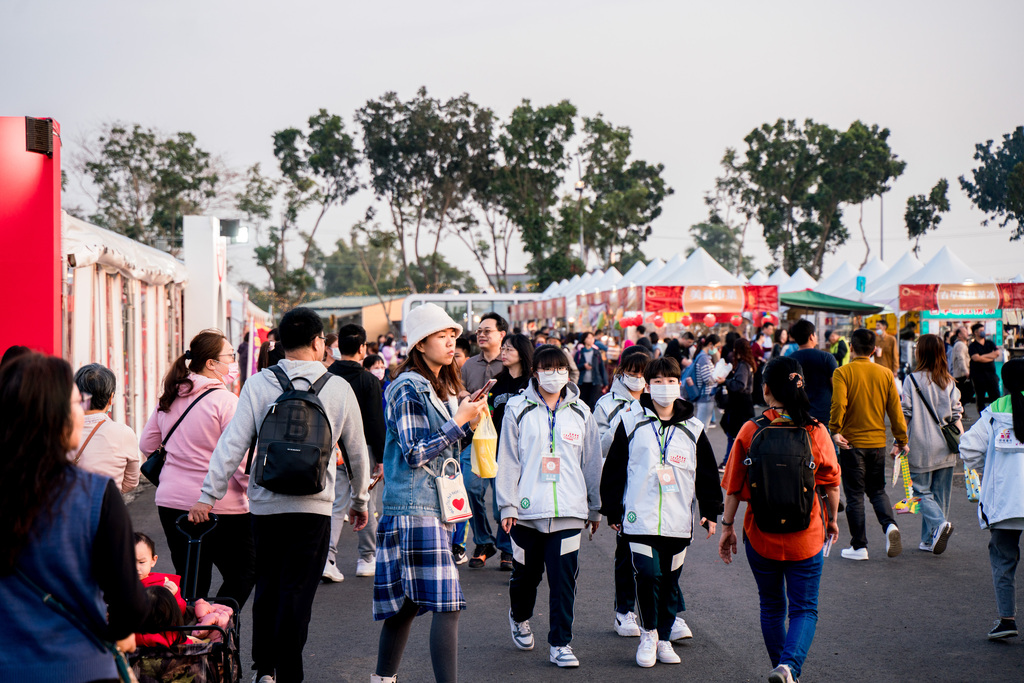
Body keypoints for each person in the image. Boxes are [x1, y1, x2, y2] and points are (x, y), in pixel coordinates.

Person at [189, 308, 371, 683]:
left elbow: (232, 444)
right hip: (315, 508)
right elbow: (356, 453)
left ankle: (265, 669)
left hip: (265, 506)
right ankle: (290, 672)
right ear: (319, 343)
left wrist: (209, 495)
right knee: (298, 592)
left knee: (269, 586)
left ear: (282, 343)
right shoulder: (338, 388)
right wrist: (359, 502)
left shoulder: (259, 384)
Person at [0, 353, 150, 681]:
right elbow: (130, 604)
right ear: (54, 416)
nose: (82, 411)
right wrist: (114, 633)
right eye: (75, 403)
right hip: (81, 666)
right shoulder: (94, 494)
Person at [372, 303, 488, 683]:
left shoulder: (436, 386)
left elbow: (442, 448)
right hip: (415, 507)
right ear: (420, 344)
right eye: (442, 335)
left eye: (453, 335)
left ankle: (383, 679)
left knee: (407, 605)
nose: (451, 342)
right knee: (446, 603)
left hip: (429, 505)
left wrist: (468, 421)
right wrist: (459, 421)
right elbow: (415, 451)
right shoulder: (408, 386)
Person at [719, 356, 841, 683]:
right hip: (807, 535)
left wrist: (727, 527)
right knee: (804, 609)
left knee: (772, 607)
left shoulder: (751, 430)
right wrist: (831, 520)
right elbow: (831, 483)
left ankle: (783, 669)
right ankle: (789, 668)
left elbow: (733, 487)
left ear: (766, 389)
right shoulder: (815, 431)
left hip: (761, 536)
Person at [602, 356, 723, 668]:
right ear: (648, 385)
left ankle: (665, 638)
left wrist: (711, 510)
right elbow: (615, 468)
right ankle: (649, 634)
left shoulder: (693, 427)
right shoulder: (631, 421)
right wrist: (612, 509)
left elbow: (707, 474)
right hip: (638, 517)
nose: (664, 386)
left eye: (670, 381)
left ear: (679, 385)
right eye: (657, 381)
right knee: (647, 574)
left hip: (678, 519)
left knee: (670, 581)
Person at [497, 345, 603, 668]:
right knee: (526, 577)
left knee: (563, 581)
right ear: (535, 372)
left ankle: (560, 643)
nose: (554, 375)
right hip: (526, 513)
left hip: (569, 511)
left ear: (568, 374)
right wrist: (508, 505)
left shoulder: (582, 411)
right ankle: (519, 616)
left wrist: (595, 506)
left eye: (561, 369)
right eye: (548, 368)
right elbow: (508, 459)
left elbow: (592, 461)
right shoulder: (517, 408)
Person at [139, 330, 256, 607]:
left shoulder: (170, 396)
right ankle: (217, 621)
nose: (233, 363)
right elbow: (240, 457)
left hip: (171, 501)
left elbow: (147, 444)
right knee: (244, 570)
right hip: (221, 505)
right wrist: (252, 492)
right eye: (230, 356)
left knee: (191, 580)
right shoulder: (226, 401)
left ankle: (192, 627)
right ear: (211, 363)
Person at [830, 328, 909, 561]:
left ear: (851, 347)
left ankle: (859, 547)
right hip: (877, 443)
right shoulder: (885, 374)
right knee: (877, 490)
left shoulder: (842, 372)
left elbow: (838, 404)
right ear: (874, 350)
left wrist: (835, 430)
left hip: (851, 443)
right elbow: (895, 410)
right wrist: (901, 440)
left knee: (854, 495)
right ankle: (890, 526)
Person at [593, 347, 655, 638]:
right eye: (632, 373)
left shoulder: (658, 400)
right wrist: (624, 419)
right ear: (621, 373)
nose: (637, 379)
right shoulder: (606, 404)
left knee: (663, 551)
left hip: (653, 485)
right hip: (624, 484)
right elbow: (598, 446)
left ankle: (669, 613)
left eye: (643, 374)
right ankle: (624, 611)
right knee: (627, 550)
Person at [960, 359, 1024, 640]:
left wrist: (986, 464)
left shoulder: (993, 413)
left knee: (1003, 558)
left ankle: (1007, 620)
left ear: (1004, 383)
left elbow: (968, 448)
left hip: (1005, 504)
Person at [324, 323, 387, 581]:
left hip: (332, 448)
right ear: (362, 348)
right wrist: (381, 458)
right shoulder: (369, 381)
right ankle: (367, 558)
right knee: (366, 500)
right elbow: (375, 422)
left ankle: (328, 558)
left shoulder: (326, 376)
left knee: (335, 502)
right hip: (363, 449)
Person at [901, 334, 963, 554]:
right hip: (946, 446)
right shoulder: (949, 381)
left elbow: (905, 414)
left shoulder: (911, 380)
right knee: (940, 495)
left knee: (920, 492)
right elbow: (956, 415)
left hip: (920, 445)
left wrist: (899, 442)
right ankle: (929, 540)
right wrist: (963, 443)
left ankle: (939, 525)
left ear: (921, 353)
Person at [461, 312, 512, 569]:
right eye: (479, 331)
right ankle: (483, 541)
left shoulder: (511, 363)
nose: (481, 334)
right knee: (470, 488)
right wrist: (464, 395)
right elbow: (457, 389)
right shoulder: (469, 365)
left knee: (501, 499)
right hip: (475, 438)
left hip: (504, 441)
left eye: (487, 331)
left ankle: (507, 547)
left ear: (502, 334)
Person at [487, 333, 535, 571]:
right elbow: (487, 414)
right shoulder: (496, 383)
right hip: (497, 450)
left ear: (522, 354)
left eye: (509, 350)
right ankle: (500, 544)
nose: (503, 353)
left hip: (527, 452)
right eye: (503, 349)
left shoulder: (533, 384)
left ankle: (509, 550)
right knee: (501, 504)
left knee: (519, 502)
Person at [72, 363, 141, 493]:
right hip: (107, 503)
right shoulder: (124, 433)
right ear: (110, 398)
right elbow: (131, 482)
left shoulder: (57, 431)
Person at [789, 320, 839, 427]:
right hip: (823, 416)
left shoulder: (789, 360)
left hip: (798, 416)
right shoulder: (827, 357)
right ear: (811, 336)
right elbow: (836, 387)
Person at [721, 338, 756, 467]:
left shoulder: (743, 365)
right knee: (741, 434)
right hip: (745, 404)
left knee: (733, 434)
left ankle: (728, 462)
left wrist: (726, 381)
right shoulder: (748, 364)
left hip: (739, 405)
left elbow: (740, 385)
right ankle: (735, 461)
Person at [691, 334, 725, 429]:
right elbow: (707, 379)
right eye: (716, 346)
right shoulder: (704, 358)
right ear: (710, 344)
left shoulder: (702, 356)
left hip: (704, 395)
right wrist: (719, 379)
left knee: (701, 426)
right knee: (702, 427)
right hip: (705, 395)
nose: (716, 349)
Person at [970, 323, 1002, 412]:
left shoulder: (989, 343)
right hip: (978, 376)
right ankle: (983, 416)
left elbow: (997, 353)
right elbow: (976, 358)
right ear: (975, 333)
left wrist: (982, 357)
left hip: (991, 375)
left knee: (995, 397)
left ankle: (996, 414)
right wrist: (991, 356)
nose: (983, 332)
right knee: (980, 399)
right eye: (981, 331)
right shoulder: (973, 346)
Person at [574, 332, 607, 409]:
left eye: (592, 338)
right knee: (583, 403)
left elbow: (601, 367)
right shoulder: (579, 353)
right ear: (584, 340)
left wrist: (605, 382)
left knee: (594, 403)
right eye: (589, 338)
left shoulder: (597, 352)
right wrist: (583, 366)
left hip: (595, 382)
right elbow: (574, 367)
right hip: (582, 382)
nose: (591, 340)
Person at [950, 326, 974, 405]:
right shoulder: (960, 345)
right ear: (959, 334)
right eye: (965, 332)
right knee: (965, 394)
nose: (967, 334)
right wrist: (966, 371)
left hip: (961, 374)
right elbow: (961, 359)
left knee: (963, 395)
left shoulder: (961, 344)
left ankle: (961, 409)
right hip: (961, 375)